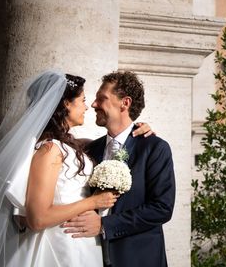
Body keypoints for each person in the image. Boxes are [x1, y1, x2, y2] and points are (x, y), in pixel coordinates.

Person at [0, 71, 118, 266]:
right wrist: (92, 202)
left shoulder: (66, 145)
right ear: (66, 103)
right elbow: (38, 218)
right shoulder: (50, 150)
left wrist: (137, 130)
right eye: (82, 100)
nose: (87, 106)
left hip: (77, 244)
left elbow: (109, 144)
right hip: (58, 245)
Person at [62, 71, 176, 267]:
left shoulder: (155, 148)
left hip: (139, 259)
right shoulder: (89, 150)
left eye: (101, 99)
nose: (94, 105)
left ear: (125, 103)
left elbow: (162, 208)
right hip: (90, 256)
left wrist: (104, 225)